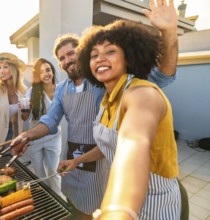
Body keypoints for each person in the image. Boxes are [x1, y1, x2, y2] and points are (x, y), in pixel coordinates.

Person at [11, 0, 178, 218]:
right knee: (75, 204)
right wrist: (28, 135)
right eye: (62, 58)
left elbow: (132, 146)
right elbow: (52, 120)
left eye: (71, 54)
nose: (67, 61)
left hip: (139, 195)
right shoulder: (93, 91)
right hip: (77, 156)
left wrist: (169, 34)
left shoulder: (134, 91)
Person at [58, 17, 182, 220]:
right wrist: (76, 161)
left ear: (129, 56)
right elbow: (110, 145)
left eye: (110, 51)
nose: (100, 59)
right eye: (94, 55)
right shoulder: (107, 99)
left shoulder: (141, 94)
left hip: (155, 205)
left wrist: (118, 211)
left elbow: (133, 145)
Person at [20, 58, 62, 195]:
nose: (46, 74)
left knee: (53, 172)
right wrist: (25, 111)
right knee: (39, 172)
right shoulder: (32, 91)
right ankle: (45, 199)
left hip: (53, 137)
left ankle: (59, 201)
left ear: (53, 71)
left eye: (48, 70)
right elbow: (24, 118)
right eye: (41, 72)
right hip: (35, 138)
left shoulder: (60, 89)